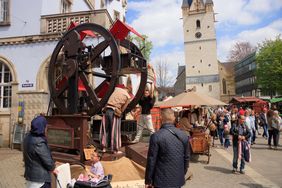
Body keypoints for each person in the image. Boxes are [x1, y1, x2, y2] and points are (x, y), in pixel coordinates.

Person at [145, 108, 190, 188]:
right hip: (177, 179)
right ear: (174, 118)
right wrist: (182, 173)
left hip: (160, 181)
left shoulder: (156, 136)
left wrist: (148, 180)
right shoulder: (183, 135)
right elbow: (186, 158)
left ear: (161, 118)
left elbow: (151, 160)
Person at [23, 115, 56, 188]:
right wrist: (53, 167)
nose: (46, 129)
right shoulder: (39, 142)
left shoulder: (27, 137)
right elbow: (49, 163)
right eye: (45, 126)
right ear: (42, 127)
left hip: (30, 178)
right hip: (40, 181)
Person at [100, 84, 131, 154]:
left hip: (107, 110)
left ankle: (104, 147)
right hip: (114, 112)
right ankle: (115, 150)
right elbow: (123, 108)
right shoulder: (128, 96)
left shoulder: (116, 89)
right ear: (129, 91)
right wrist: (121, 112)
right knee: (115, 131)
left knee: (106, 129)